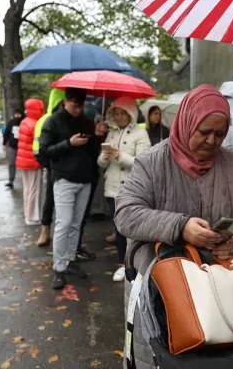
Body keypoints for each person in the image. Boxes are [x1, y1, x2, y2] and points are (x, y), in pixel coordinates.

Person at [115, 85, 233, 369]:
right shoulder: (151, 162)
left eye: (220, 134)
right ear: (186, 123)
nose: (212, 141)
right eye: (204, 132)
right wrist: (180, 227)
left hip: (220, 290)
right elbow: (127, 214)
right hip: (162, 290)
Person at [39, 88, 107, 290]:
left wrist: (97, 135)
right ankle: (58, 268)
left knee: (76, 223)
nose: (78, 109)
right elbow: (44, 151)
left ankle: (70, 260)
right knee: (64, 222)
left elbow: (93, 149)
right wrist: (69, 143)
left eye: (81, 105)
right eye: (75, 105)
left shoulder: (86, 120)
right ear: (66, 101)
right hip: (64, 178)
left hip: (84, 178)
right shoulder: (52, 121)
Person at [97, 97, 150, 282]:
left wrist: (120, 155)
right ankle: (123, 263)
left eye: (122, 113)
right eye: (116, 113)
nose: (118, 117)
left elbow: (144, 163)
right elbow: (101, 164)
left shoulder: (141, 134)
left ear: (131, 114)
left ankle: (136, 262)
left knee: (132, 228)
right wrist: (105, 156)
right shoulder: (111, 133)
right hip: (112, 188)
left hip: (131, 188)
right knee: (118, 228)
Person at [32, 88, 65, 247]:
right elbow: (37, 148)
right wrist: (49, 164)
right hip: (53, 166)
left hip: (69, 168)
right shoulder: (45, 120)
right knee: (50, 200)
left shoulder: (73, 119)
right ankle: (45, 230)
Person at [15, 98, 45, 225]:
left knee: (27, 189)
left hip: (22, 160)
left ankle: (28, 214)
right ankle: (33, 217)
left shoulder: (24, 122)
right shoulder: (36, 124)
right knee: (34, 189)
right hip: (32, 161)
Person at [2, 109, 23, 188]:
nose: (17, 116)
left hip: (22, 147)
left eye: (19, 114)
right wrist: (4, 144)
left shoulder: (23, 122)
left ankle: (25, 180)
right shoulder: (11, 123)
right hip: (12, 146)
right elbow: (6, 133)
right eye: (16, 114)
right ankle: (11, 180)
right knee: (11, 164)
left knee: (24, 165)